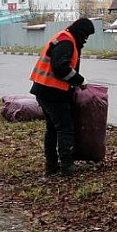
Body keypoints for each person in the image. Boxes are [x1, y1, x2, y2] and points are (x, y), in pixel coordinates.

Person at [30, 18, 95, 176]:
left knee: (52, 129)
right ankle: (67, 167)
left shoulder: (63, 37)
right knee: (65, 128)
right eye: (85, 36)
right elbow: (60, 67)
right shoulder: (67, 42)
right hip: (53, 93)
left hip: (44, 91)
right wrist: (79, 80)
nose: (85, 40)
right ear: (80, 32)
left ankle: (51, 166)